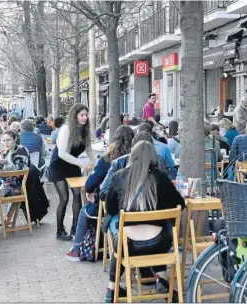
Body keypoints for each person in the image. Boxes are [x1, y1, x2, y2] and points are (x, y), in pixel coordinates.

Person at [104, 140, 185, 303]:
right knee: (167, 224)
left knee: (116, 234)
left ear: (132, 155)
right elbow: (180, 204)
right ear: (153, 158)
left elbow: (110, 209)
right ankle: (161, 279)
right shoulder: (161, 179)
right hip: (159, 243)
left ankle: (111, 289)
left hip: (128, 244)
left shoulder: (118, 177)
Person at [65, 125, 134, 261]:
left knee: (84, 211)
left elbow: (91, 182)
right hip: (131, 204)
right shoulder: (136, 159)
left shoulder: (108, 159)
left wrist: (90, 191)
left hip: (110, 205)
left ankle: (77, 248)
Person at [48, 104, 97, 240]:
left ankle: (75, 227)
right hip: (59, 165)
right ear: (74, 116)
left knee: (77, 193)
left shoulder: (85, 130)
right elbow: (63, 153)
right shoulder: (66, 129)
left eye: (86, 115)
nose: (85, 118)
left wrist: (99, 166)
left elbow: (89, 150)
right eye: (82, 115)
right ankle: (60, 230)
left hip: (72, 165)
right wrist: (82, 163)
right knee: (64, 198)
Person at [0, 130, 30, 197]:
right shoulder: (6, 151)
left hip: (16, 185)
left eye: (8, 140)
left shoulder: (22, 150)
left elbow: (22, 169)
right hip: (6, 182)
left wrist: (7, 163)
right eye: (4, 140)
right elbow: (0, 166)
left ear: (15, 139)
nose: (6, 143)